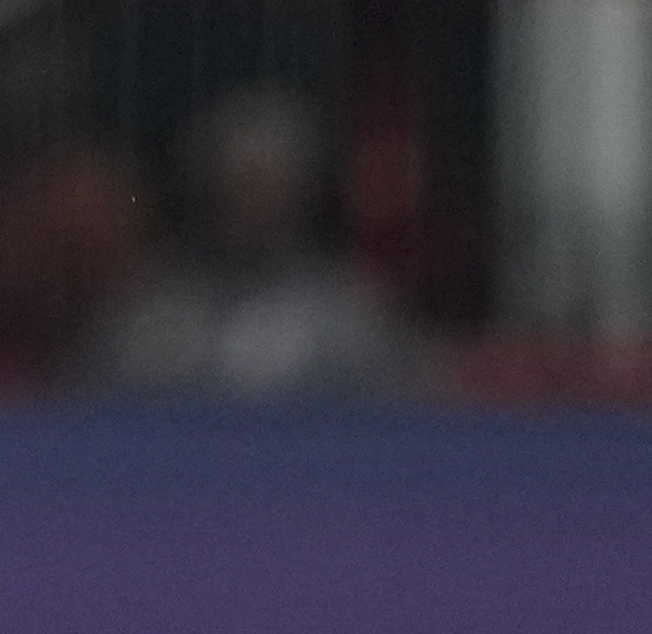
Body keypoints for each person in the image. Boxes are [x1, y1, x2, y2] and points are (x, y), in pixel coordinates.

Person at [91, 85, 416, 401]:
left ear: (301, 191)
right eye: (240, 182)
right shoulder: (149, 309)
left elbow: (400, 412)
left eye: (268, 184)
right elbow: (92, 415)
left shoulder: (349, 308)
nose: (253, 202)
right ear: (209, 187)